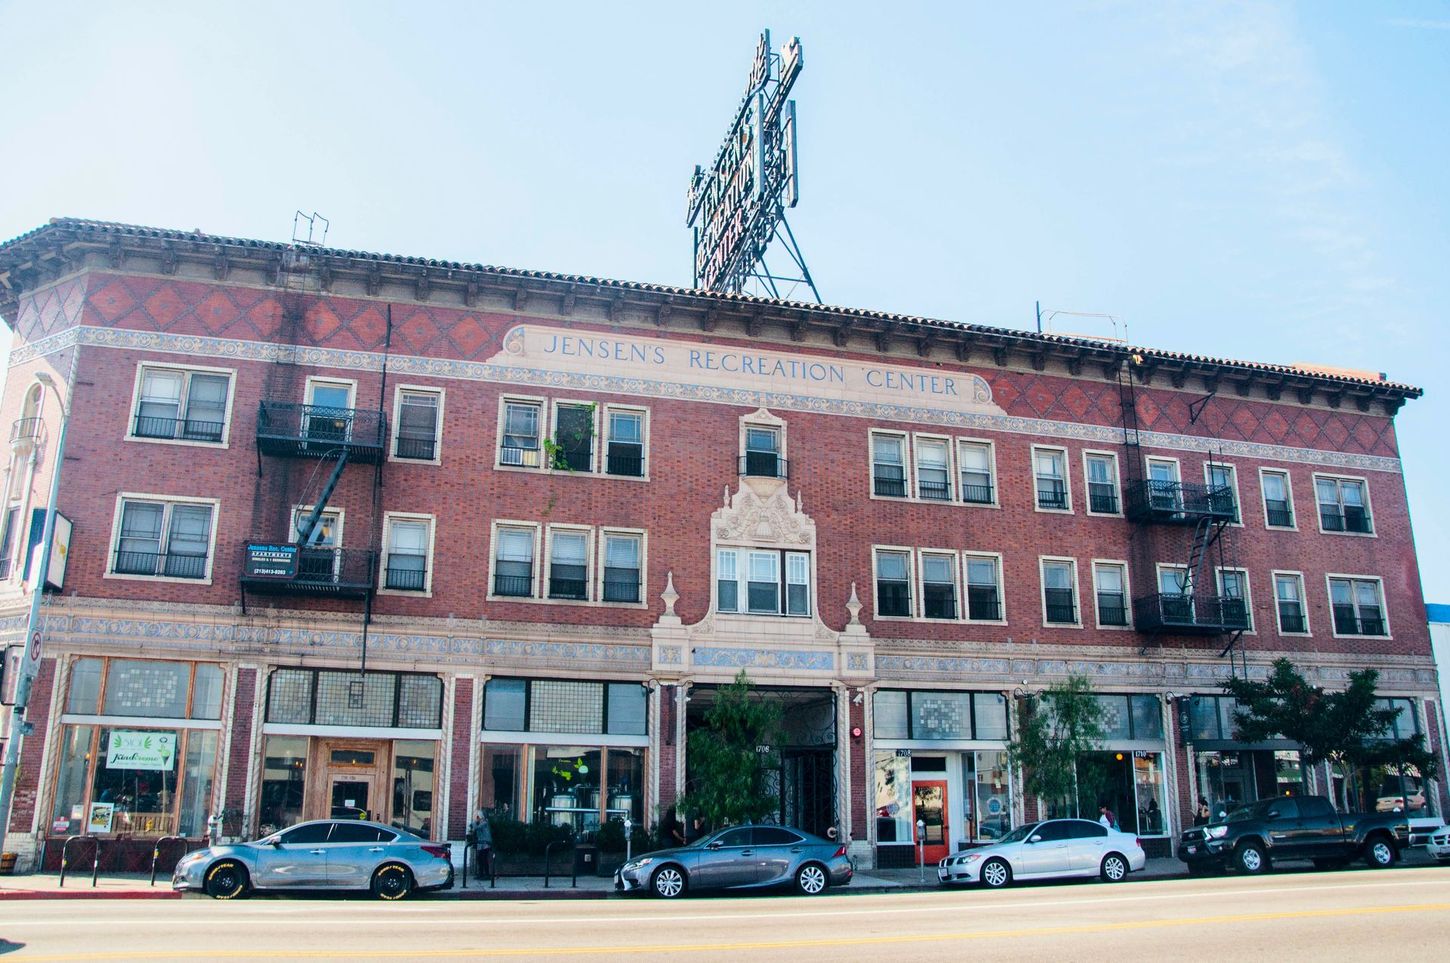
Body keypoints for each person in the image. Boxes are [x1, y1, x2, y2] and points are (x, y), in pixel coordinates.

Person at [468, 810, 494, 879]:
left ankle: (487, 874)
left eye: (477, 817)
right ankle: (481, 874)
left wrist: (474, 822)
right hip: (481, 844)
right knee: (480, 859)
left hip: (486, 844)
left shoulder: (484, 822)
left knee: (484, 858)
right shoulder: (480, 823)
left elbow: (477, 828)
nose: (477, 819)